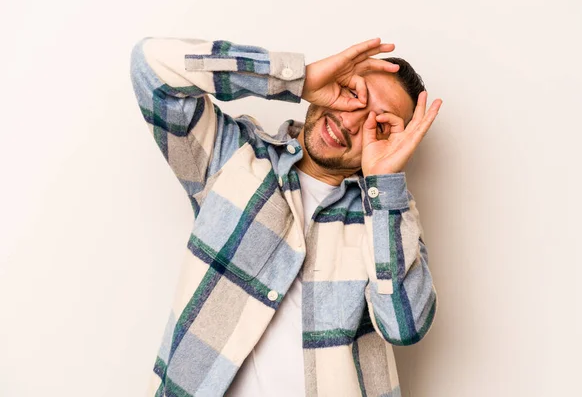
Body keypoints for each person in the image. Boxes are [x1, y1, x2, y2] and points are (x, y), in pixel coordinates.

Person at [130, 35, 441, 397]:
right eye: (354, 95)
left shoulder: (388, 218)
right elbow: (150, 65)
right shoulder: (230, 154)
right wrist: (298, 78)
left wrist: (385, 183)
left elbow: (404, 327)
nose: (353, 123)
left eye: (381, 125)